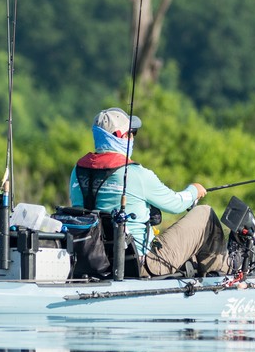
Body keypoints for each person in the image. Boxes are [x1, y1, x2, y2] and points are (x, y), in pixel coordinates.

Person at [69, 107, 228, 277]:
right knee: (205, 213)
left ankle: (202, 266)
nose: (132, 138)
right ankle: (225, 270)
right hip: (141, 263)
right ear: (120, 136)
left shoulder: (77, 172)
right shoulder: (136, 174)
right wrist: (194, 191)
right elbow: (176, 204)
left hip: (95, 260)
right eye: (132, 133)